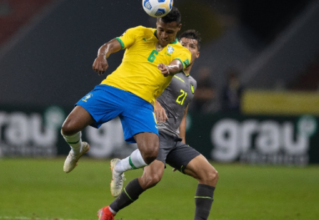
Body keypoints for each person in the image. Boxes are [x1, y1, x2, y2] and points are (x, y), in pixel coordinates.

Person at [97, 30, 219, 220]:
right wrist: (155, 102)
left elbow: (183, 113)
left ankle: (109, 209)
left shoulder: (192, 83)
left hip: (174, 139)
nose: (187, 48)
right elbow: (142, 85)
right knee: (152, 178)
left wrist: (183, 140)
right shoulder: (167, 69)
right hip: (156, 132)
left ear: (197, 54)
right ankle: (108, 211)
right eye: (183, 44)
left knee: (210, 175)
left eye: (192, 46)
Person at [61, 7, 191, 176]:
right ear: (156, 23)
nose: (164, 35)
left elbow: (179, 64)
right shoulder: (138, 33)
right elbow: (110, 45)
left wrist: (169, 67)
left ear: (178, 28)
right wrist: (102, 55)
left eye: (170, 32)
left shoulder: (183, 51)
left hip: (141, 101)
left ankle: (119, 167)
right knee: (68, 127)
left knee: (150, 153)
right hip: (113, 89)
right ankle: (78, 149)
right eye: (161, 30)